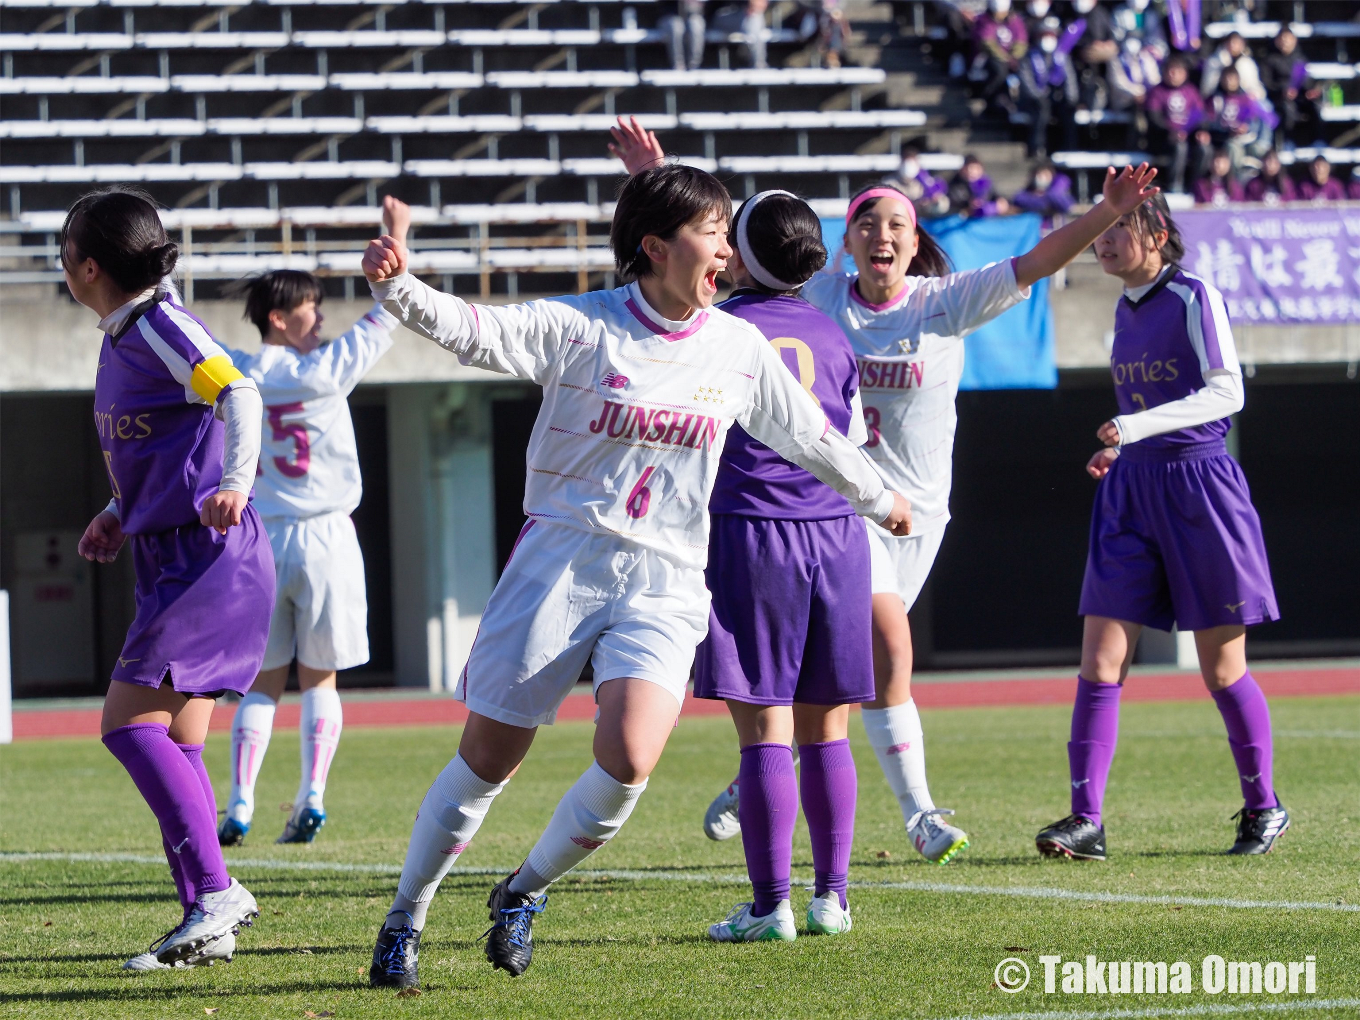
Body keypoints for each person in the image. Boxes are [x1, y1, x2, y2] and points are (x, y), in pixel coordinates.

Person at [362, 161, 912, 989]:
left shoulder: (736, 346)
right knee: (488, 759)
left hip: (666, 576)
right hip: (562, 560)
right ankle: (406, 917)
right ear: (656, 247)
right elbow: (475, 330)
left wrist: (879, 498)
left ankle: (522, 891)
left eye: (727, 233)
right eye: (712, 233)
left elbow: (810, 435)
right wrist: (399, 287)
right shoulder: (584, 326)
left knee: (629, 757)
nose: (726, 250)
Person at [606, 119, 1162, 866]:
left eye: (897, 222)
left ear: (915, 239)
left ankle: (771, 763)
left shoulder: (943, 302)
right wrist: (656, 180)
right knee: (890, 643)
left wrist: (1105, 213)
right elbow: (736, 249)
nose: (882, 233)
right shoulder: (820, 296)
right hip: (843, 505)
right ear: (844, 244)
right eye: (867, 221)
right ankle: (920, 814)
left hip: (920, 516)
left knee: (847, 672)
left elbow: (1036, 261)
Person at [1035, 191, 1286, 861]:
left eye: (1122, 224)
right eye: (1102, 225)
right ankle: (1086, 820)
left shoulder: (1194, 295)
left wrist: (1135, 427)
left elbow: (1227, 392)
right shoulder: (1124, 307)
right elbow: (1148, 412)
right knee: (1100, 661)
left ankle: (1263, 806)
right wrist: (1123, 450)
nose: (1105, 238)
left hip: (1202, 490)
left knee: (1222, 669)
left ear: (1159, 231)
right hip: (1132, 492)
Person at [68, 188, 273, 970]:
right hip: (171, 555)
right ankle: (204, 918)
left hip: (208, 558)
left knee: (127, 726)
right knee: (181, 741)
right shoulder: (124, 331)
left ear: (89, 265)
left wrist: (237, 482)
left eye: (66, 245)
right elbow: (164, 446)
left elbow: (239, 391)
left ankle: (217, 893)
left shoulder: (160, 323)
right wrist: (117, 510)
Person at [696, 190, 871, 942]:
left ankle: (771, 907)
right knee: (827, 727)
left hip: (753, 532)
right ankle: (833, 899)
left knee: (765, 726)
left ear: (740, 253)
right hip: (837, 534)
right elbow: (852, 439)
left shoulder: (719, 328)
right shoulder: (833, 332)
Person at [216, 197, 409, 848]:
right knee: (321, 677)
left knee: (261, 682)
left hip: (262, 538)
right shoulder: (328, 368)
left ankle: (240, 802)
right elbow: (391, 309)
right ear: (280, 317)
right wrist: (397, 234)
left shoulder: (238, 372)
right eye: (310, 307)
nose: (321, 316)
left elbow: (188, 348)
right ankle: (312, 797)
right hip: (327, 536)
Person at [1017, 19, 1078, 157]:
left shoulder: (1062, 56)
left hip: (1055, 98)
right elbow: (1026, 81)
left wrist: (1071, 98)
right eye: (1044, 35)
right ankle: (1037, 147)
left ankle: (1069, 146)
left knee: (1068, 111)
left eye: (1051, 35)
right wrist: (1038, 96)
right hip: (1034, 100)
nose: (1048, 39)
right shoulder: (1029, 56)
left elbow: (1070, 79)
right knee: (1041, 111)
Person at [1146, 54, 1206, 194]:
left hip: (1188, 136)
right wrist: (1171, 131)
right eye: (1170, 71)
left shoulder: (1191, 91)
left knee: (1205, 149)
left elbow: (1200, 116)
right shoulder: (1157, 92)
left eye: (1177, 71)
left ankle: (1196, 185)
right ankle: (1175, 185)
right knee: (1180, 147)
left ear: (1185, 73)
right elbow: (1154, 118)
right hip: (1164, 139)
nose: (1173, 75)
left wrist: (1201, 131)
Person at [1260, 29, 1318, 147]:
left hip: (1299, 96)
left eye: (1288, 39)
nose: (1285, 42)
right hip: (1278, 98)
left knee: (1315, 106)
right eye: (1282, 39)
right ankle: (1287, 141)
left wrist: (1309, 91)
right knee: (1287, 108)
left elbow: (1305, 81)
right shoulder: (1269, 60)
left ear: (1294, 40)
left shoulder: (1300, 59)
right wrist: (1282, 91)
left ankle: (1318, 140)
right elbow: (1267, 83)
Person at [1207, 66, 1273, 169]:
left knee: (1260, 150)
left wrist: (1246, 128)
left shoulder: (1245, 99)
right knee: (1233, 148)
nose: (1229, 82)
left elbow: (1252, 120)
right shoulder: (1215, 99)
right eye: (1226, 78)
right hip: (1224, 139)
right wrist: (1228, 131)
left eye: (1232, 78)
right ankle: (1234, 177)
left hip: (1246, 139)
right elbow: (1209, 123)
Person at [973, 0, 1028, 114]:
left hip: (1012, 58)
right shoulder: (984, 20)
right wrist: (1004, 57)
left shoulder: (1015, 21)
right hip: (991, 57)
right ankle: (988, 97)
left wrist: (1014, 56)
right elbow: (986, 41)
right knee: (999, 72)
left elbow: (1021, 40)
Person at [883, 144, 951, 220]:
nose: (909, 167)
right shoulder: (889, 183)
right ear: (901, 163)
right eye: (907, 163)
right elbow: (885, 206)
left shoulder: (925, 181)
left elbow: (943, 205)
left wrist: (933, 203)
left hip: (922, 221)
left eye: (912, 163)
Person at [1200, 31, 1263, 102]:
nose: (1233, 45)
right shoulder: (1214, 62)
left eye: (1236, 43)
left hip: (1243, 99)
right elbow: (1208, 87)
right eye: (1231, 42)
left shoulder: (1247, 63)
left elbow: (1253, 85)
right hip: (1219, 99)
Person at [662, 0, 707, 70]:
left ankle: (694, 66)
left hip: (694, 14)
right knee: (676, 27)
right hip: (670, 14)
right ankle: (678, 65)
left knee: (695, 27)